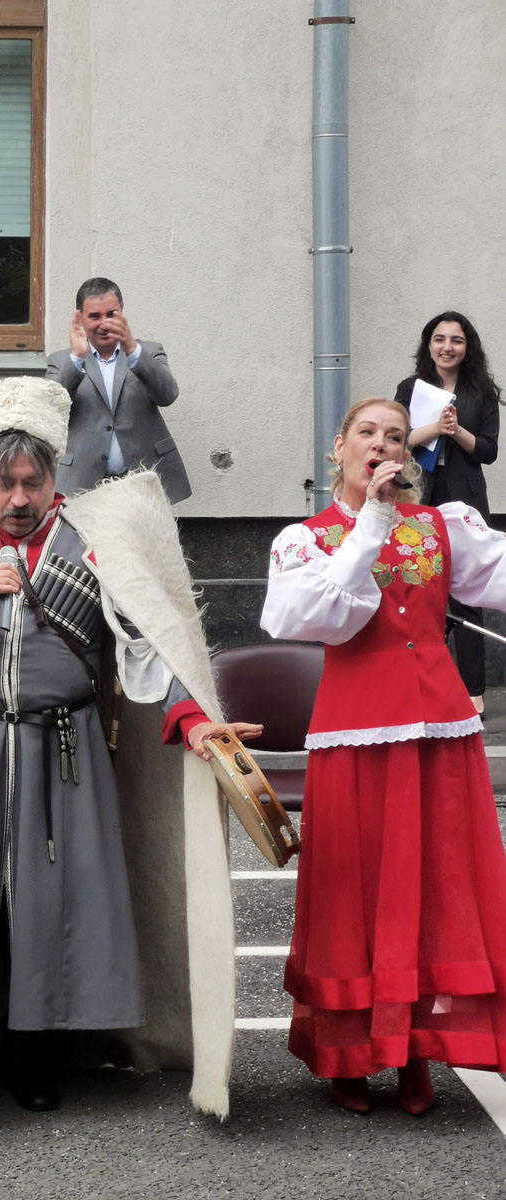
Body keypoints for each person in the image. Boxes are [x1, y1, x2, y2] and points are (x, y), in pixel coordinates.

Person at [0, 376, 259, 1116]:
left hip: (65, 755)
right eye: (3, 483)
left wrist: (195, 720)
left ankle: (35, 1055)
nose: (18, 498)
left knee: (52, 907)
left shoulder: (93, 545)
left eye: (31, 482)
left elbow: (148, 647)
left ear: (52, 475)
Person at [261, 396, 506, 1116]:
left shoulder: (440, 525)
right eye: (366, 433)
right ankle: (349, 1053)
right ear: (337, 448)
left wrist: (387, 519)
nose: (381, 445)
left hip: (439, 732)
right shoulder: (306, 539)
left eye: (395, 436)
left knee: (437, 887)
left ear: (407, 454)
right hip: (355, 734)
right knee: (354, 890)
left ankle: (414, 1054)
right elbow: (316, 619)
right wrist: (369, 522)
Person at [394, 311, 502, 717]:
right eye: (439, 339)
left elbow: (488, 451)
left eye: (456, 340)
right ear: (429, 345)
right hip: (419, 496)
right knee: (418, 590)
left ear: (467, 347)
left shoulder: (481, 391)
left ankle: (473, 692)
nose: (447, 347)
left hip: (465, 499)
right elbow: (397, 439)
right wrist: (435, 428)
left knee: (467, 594)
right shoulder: (412, 388)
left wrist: (456, 431)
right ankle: (419, 685)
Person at [46, 277, 191, 503]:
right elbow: (49, 410)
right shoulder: (62, 361)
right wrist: (76, 359)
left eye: (111, 314)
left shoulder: (148, 351)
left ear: (121, 314)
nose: (104, 324)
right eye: (95, 316)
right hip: (83, 485)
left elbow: (167, 395)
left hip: (143, 481)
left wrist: (132, 349)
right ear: (80, 318)